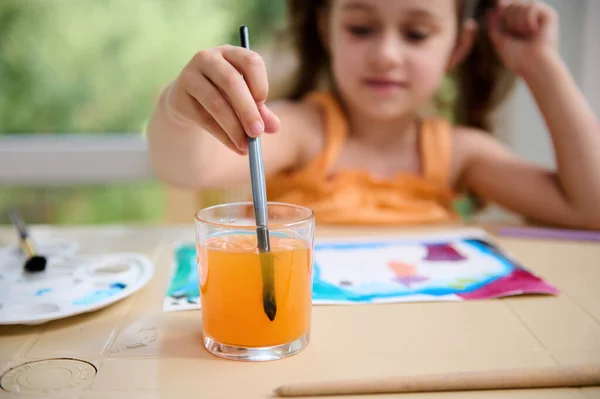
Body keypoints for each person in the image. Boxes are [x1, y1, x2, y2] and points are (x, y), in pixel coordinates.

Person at [147, 0, 600, 228]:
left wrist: (541, 65)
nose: (385, 55)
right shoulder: (304, 131)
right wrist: (177, 107)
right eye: (361, 28)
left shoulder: (458, 152)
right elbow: (186, 167)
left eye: (417, 34)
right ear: (327, 28)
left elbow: (589, 208)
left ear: (458, 46)